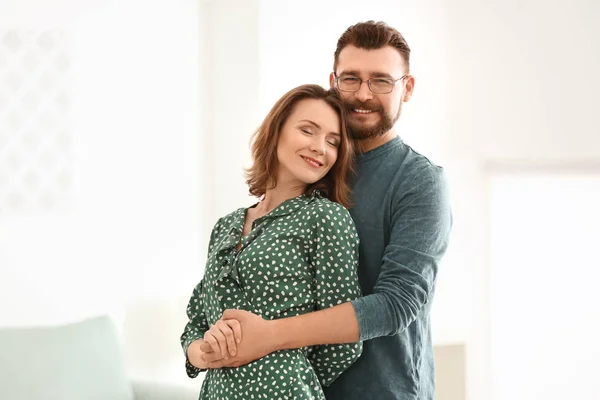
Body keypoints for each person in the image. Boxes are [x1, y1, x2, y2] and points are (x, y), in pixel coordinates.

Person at [197, 21, 453, 400]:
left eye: (381, 81)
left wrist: (267, 338)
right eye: (351, 79)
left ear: (407, 88)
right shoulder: (314, 172)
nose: (363, 94)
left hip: (383, 390)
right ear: (334, 82)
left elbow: (398, 304)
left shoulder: (418, 180)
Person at [181, 84, 363, 399]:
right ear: (276, 131)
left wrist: (284, 376)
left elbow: (345, 340)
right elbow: (198, 317)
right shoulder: (225, 226)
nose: (320, 147)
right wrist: (199, 352)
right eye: (308, 130)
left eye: (332, 142)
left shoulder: (325, 219)